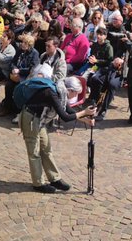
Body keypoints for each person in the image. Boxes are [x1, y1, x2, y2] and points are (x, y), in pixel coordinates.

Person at [17, 65, 96, 193]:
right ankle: (38, 184)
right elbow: (65, 116)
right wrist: (84, 113)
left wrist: (85, 117)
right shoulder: (53, 93)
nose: (75, 96)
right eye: (75, 93)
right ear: (70, 90)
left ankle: (55, 179)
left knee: (46, 149)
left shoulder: (61, 92)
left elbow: (68, 109)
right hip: (31, 119)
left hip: (39, 120)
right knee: (35, 152)